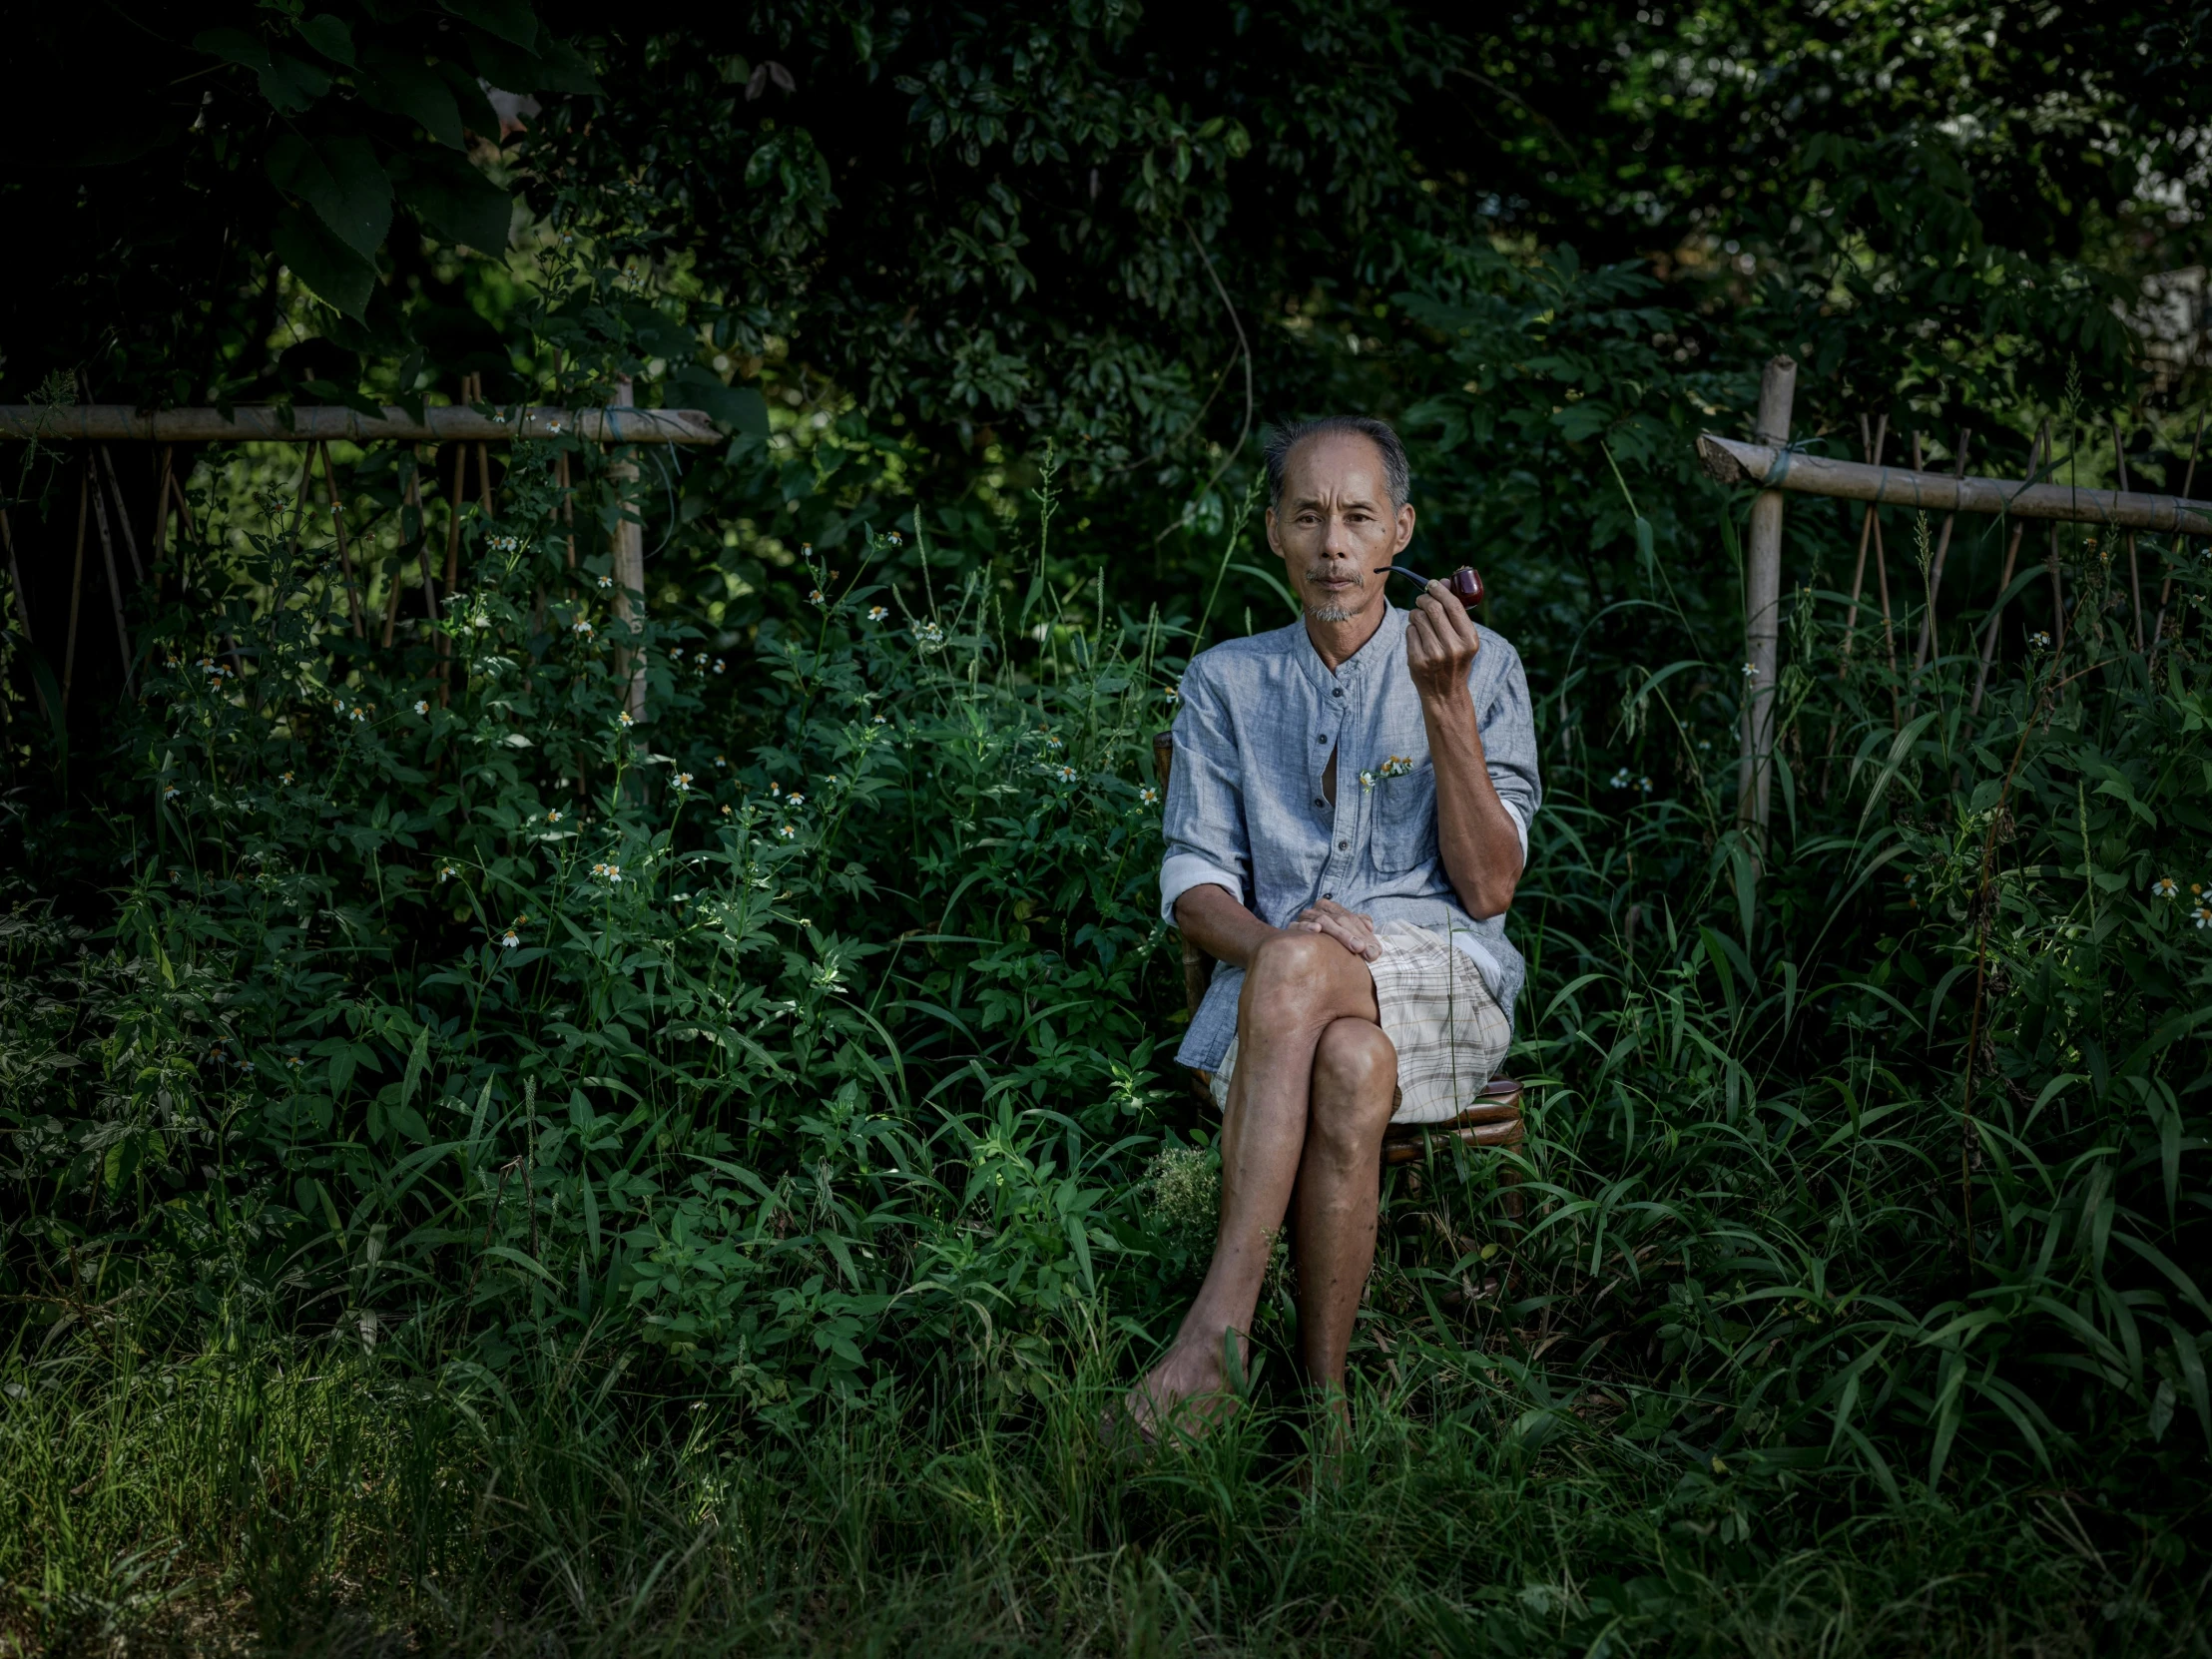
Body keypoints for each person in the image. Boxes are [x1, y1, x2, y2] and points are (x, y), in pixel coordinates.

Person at [1122, 414, 1540, 1444]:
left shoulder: (1480, 668)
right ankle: (1326, 1416)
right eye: (1306, 516)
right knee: (1349, 1065)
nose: (1332, 545)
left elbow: (1488, 890)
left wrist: (1439, 703)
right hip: (1288, 1019)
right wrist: (1286, 966)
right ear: (1272, 532)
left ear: (1399, 532)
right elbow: (1192, 883)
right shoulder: (1224, 681)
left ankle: (1211, 1336)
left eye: (1357, 517)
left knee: (1324, 994)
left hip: (1444, 981)